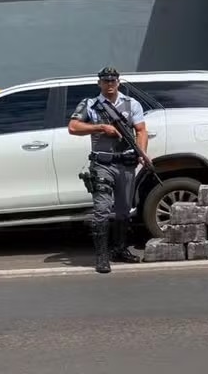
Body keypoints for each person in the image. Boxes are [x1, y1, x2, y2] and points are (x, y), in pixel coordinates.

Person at [68, 67, 147, 273]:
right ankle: (102, 257)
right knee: (102, 209)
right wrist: (101, 127)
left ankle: (120, 249)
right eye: (105, 81)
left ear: (118, 82)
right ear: (99, 83)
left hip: (126, 163)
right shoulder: (90, 105)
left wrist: (142, 153)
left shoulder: (132, 104)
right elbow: (73, 127)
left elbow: (141, 130)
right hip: (102, 164)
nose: (109, 84)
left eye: (113, 81)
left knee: (124, 210)